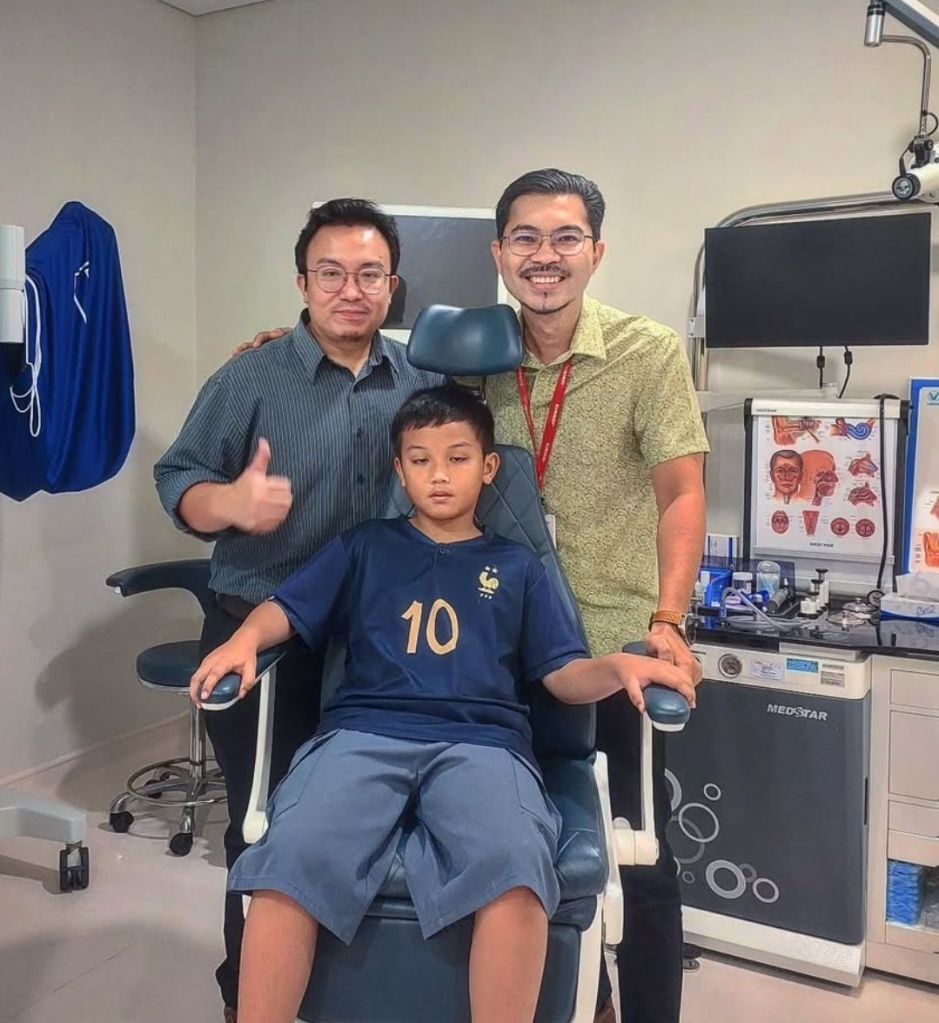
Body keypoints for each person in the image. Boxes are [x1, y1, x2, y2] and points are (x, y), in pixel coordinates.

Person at [245, 169, 708, 1023]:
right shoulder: (466, 361)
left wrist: (666, 622)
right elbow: (383, 384)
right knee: (376, 837)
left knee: (635, 861)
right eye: (525, 238)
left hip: (603, 639)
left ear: (595, 251)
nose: (544, 255)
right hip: (467, 651)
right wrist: (291, 341)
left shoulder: (645, 353)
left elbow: (682, 493)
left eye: (565, 238)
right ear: (499, 253)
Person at [189, 385, 698, 1023]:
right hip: (363, 734)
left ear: (488, 467)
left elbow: (563, 676)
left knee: (515, 866)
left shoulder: (517, 566)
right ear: (398, 470)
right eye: (420, 460)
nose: (438, 475)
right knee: (292, 858)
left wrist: (617, 668)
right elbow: (286, 609)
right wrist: (243, 639)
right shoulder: (365, 545)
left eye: (457, 458)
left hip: (483, 744)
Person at [153, 198, 442, 1020]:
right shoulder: (249, 377)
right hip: (261, 636)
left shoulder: (421, 383)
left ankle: (346, 995)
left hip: (379, 644)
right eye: (331, 273)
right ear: (302, 282)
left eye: (369, 274)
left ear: (393, 284)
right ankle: (246, 997)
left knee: (366, 824)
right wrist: (229, 503)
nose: (350, 290)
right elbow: (178, 477)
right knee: (265, 826)